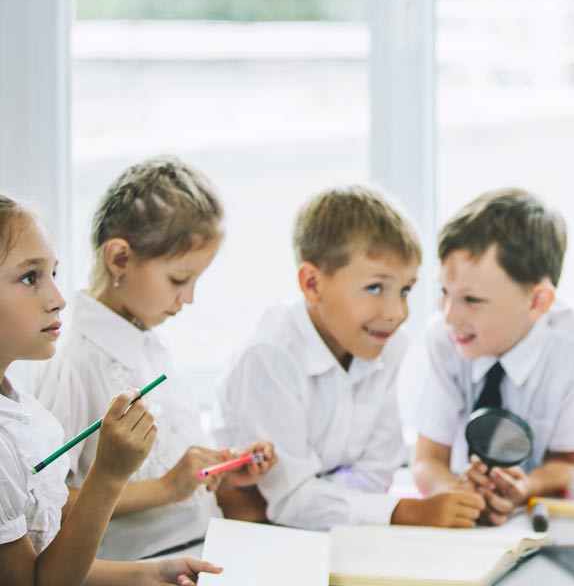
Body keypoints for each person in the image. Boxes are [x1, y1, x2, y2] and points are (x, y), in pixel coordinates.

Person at [36, 157, 276, 560]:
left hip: (202, 548)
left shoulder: (154, 349)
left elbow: (178, 474)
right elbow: (44, 505)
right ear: (120, 259)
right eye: (179, 280)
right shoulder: (74, 364)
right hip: (139, 567)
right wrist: (166, 487)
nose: (190, 298)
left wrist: (218, 472)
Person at [213, 186, 485, 529]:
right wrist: (404, 512)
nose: (396, 312)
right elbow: (291, 499)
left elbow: (375, 473)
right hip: (252, 535)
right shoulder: (268, 356)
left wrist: (330, 500)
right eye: (375, 288)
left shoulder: (391, 346)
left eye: (405, 290)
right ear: (312, 284)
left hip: (329, 531)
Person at [0, 194, 221, 585]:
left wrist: (146, 576)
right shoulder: (69, 365)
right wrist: (111, 473)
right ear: (118, 258)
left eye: (54, 273)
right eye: (30, 277)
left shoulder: (20, 407)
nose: (58, 299)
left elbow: (40, 556)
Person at [410, 188, 574, 525]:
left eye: (471, 300)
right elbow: (427, 460)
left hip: (567, 511)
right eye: (444, 292)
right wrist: (458, 496)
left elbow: (566, 465)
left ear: (537, 302)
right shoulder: (442, 340)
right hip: (484, 518)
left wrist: (525, 487)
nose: (449, 315)